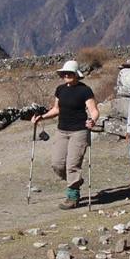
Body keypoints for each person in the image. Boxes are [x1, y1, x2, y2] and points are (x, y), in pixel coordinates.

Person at [31, 60, 99, 209]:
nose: (66, 75)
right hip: (62, 130)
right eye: (64, 73)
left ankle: (72, 196)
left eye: (69, 73)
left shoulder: (85, 90)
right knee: (57, 164)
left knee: (72, 164)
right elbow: (56, 109)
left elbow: (94, 111)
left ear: (76, 75)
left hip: (79, 131)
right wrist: (42, 117)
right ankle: (74, 181)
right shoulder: (60, 89)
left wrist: (92, 121)